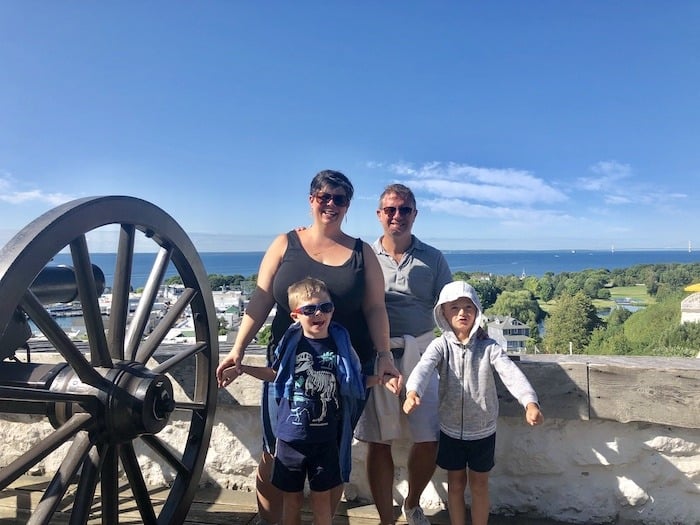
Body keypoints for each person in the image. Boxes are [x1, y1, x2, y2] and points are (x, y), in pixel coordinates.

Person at [216, 169, 401, 525]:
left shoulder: (362, 253)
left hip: (345, 369)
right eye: (324, 196)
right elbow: (261, 298)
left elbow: (375, 308)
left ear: (348, 205)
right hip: (287, 369)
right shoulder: (285, 243)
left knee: (333, 456)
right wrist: (238, 349)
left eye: (339, 198)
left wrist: (384, 357)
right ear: (311, 200)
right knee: (275, 452)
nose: (330, 204)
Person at [220, 277, 379, 525]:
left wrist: (380, 380)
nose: (318, 313)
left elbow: (353, 381)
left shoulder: (340, 347)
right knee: (291, 501)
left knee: (322, 500)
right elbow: (275, 375)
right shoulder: (291, 345)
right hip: (290, 439)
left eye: (325, 308)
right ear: (296, 316)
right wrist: (243, 369)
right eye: (309, 310)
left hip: (326, 439)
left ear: (332, 311)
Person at [403, 280, 544, 525]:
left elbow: (511, 374)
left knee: (479, 485)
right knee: (455, 484)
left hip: (482, 431)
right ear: (443, 313)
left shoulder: (490, 348)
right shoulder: (441, 346)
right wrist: (413, 391)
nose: (462, 313)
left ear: (477, 311)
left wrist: (530, 402)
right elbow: (423, 368)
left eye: (468, 307)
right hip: (450, 431)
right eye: (454, 307)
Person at [353, 184, 452, 525]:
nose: (397, 216)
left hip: (422, 354)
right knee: (378, 441)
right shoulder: (364, 256)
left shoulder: (433, 258)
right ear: (379, 215)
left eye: (404, 209)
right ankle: (384, 518)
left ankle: (411, 505)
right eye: (390, 209)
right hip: (377, 355)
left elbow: (450, 306)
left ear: (414, 214)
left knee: (429, 438)